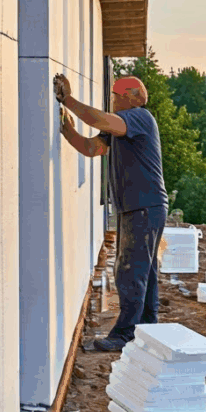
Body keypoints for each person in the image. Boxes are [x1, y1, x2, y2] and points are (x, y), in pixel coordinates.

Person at [54, 73, 168, 352]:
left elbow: (97, 119)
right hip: (141, 208)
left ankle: (124, 335)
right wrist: (68, 130)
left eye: (115, 96)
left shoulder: (139, 117)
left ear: (129, 97)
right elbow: (92, 148)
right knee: (145, 272)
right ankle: (145, 328)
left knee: (130, 272)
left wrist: (67, 99)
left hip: (144, 208)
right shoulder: (119, 128)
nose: (112, 100)